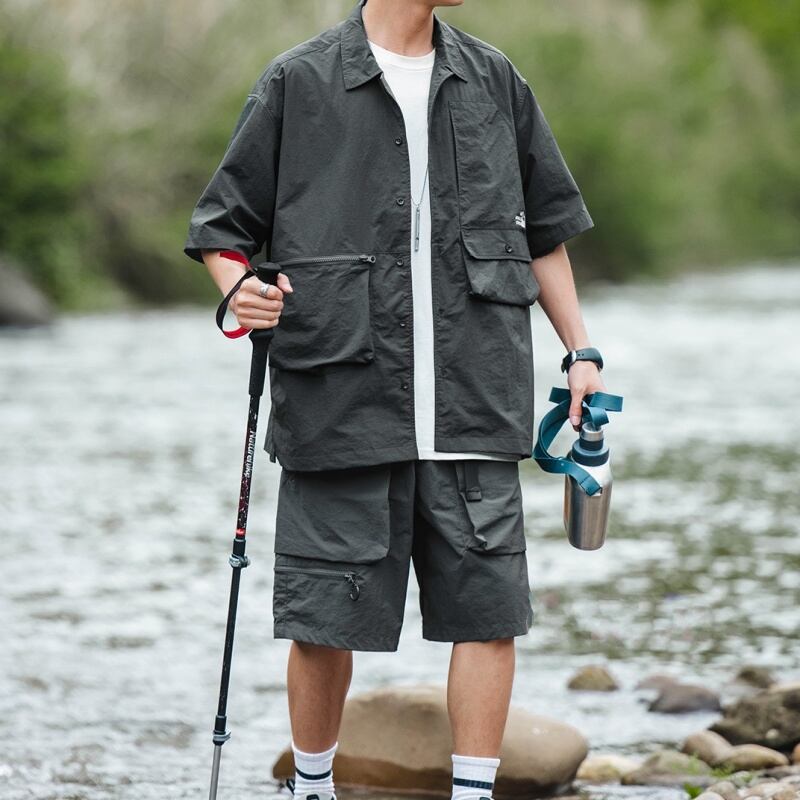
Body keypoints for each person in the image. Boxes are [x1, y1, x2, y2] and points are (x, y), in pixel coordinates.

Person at [184, 0, 607, 798]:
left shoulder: (496, 80)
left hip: (475, 405)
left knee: (490, 615)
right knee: (322, 621)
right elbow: (221, 227)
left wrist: (580, 352)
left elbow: (543, 230)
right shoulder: (298, 81)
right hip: (340, 406)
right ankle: (314, 787)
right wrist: (239, 289)